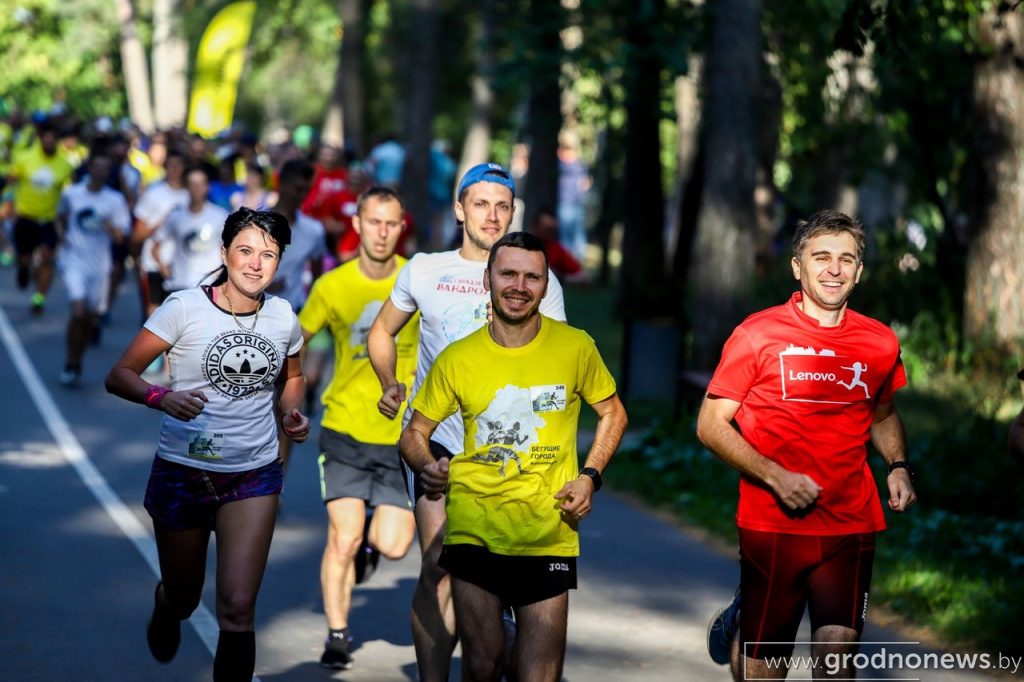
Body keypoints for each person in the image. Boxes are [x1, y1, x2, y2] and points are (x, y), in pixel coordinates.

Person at [696, 209, 917, 681]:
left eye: (846, 259)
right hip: (773, 523)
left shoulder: (879, 342)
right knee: (764, 668)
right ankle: (744, 622)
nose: (834, 269)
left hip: (850, 522)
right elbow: (710, 425)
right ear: (797, 267)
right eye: (822, 257)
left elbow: (882, 414)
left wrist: (898, 465)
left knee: (838, 664)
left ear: (859, 271)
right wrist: (775, 476)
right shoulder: (757, 334)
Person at [367, 163, 566, 682]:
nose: (492, 215)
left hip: (510, 449)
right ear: (460, 209)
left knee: (505, 567)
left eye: (502, 206)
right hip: (438, 440)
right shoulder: (424, 270)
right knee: (439, 564)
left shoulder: (537, 278)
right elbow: (381, 332)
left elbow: (559, 361)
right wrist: (389, 382)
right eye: (480, 204)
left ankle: (498, 635)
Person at [398, 231, 627, 682]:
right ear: (487, 280)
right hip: (474, 527)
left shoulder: (575, 347)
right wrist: (427, 465)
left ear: (545, 285)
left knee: (540, 674)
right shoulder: (458, 358)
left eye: (532, 277)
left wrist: (589, 476)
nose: (519, 286)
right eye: (508, 274)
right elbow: (414, 433)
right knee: (484, 665)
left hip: (548, 530)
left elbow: (613, 413)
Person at [104, 207, 310, 682]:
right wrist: (162, 397)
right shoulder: (183, 308)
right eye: (245, 251)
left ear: (279, 263)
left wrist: (290, 412)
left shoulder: (282, 316)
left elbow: (293, 376)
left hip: (253, 473)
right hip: (184, 472)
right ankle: (166, 606)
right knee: (184, 597)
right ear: (224, 253)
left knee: (237, 607)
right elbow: (119, 375)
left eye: (268, 256)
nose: (255, 264)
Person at [299, 186, 419, 670]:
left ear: (401, 226)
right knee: (342, 538)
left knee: (394, 544)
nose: (382, 232)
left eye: (391, 223)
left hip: (403, 438)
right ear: (357, 224)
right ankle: (337, 633)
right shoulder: (332, 285)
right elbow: (295, 341)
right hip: (345, 427)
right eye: (374, 222)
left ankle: (369, 546)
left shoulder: (418, 279)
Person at [55, 152, 131, 386]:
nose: (101, 171)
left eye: (105, 168)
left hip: (99, 267)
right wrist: (62, 237)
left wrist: (108, 224)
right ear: (89, 169)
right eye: (97, 166)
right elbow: (60, 217)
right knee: (78, 311)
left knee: (89, 318)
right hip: (74, 261)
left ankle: (78, 359)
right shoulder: (72, 193)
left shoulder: (114, 200)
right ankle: (70, 362)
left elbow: (120, 237)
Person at [6, 119, 74, 314]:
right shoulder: (25, 159)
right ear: (40, 139)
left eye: (53, 139)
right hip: (25, 217)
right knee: (25, 257)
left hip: (48, 219)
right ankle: (24, 267)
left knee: (47, 257)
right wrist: (9, 206)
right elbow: (10, 182)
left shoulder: (64, 165)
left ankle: (39, 298)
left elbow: (69, 193)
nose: (50, 142)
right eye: (46, 138)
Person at [151, 166, 230, 294]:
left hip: (210, 286)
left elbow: (231, 247)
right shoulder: (175, 216)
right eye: (192, 184)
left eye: (200, 184)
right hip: (179, 285)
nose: (196, 188)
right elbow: (155, 245)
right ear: (186, 187)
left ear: (207, 187)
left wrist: (222, 273)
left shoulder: (220, 216)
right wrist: (163, 268)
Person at [530, 207, 589, 285]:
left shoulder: (555, 249)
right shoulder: (521, 246)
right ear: (535, 226)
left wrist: (559, 278)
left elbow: (582, 277)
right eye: (546, 229)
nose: (549, 234)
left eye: (552, 230)